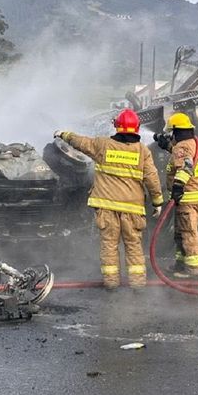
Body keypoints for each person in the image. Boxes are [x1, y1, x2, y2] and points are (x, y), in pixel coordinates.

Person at [55, 109, 164, 289]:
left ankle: (111, 282)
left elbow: (81, 142)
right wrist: (157, 202)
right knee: (133, 245)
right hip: (132, 209)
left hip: (106, 208)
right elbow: (152, 178)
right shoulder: (142, 151)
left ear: (117, 126)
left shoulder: (103, 145)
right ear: (137, 128)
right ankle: (137, 283)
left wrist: (64, 134)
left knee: (109, 245)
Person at [158, 112, 198, 278]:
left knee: (187, 233)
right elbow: (184, 157)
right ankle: (181, 263)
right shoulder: (191, 143)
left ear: (175, 131)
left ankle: (192, 269)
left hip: (186, 198)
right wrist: (168, 147)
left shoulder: (182, 147)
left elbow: (186, 167)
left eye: (170, 133)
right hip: (194, 196)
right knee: (181, 232)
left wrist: (177, 187)